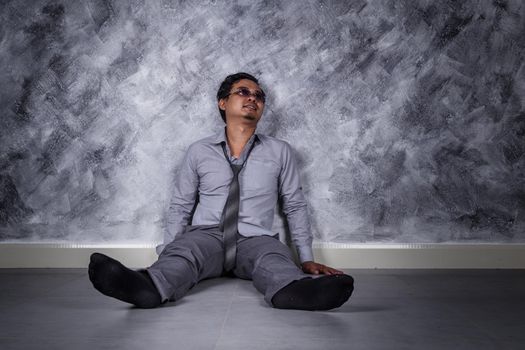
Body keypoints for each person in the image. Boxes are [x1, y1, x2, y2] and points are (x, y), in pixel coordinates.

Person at [88, 72, 354, 310]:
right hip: (207, 235)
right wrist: (169, 252)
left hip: (256, 238)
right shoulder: (198, 151)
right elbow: (181, 205)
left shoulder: (280, 151)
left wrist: (307, 259)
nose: (253, 98)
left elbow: (294, 205)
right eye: (243, 92)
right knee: (184, 254)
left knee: (275, 258)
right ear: (223, 102)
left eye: (259, 96)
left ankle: (293, 292)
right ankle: (148, 287)